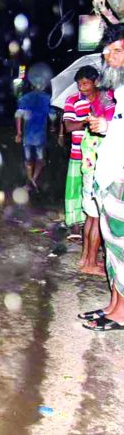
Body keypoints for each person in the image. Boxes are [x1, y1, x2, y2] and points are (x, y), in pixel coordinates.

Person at [79, 23, 124, 330]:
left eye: (118, 51)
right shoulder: (120, 90)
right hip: (109, 176)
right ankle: (114, 305)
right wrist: (108, 128)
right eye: (108, 51)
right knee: (112, 246)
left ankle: (121, 314)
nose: (110, 57)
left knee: (121, 246)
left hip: (121, 178)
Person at [74, 66, 115, 275]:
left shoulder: (95, 103)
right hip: (96, 165)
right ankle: (90, 263)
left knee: (91, 216)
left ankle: (86, 259)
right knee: (97, 217)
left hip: (89, 163)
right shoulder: (107, 101)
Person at [63, 66, 105, 240]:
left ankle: (96, 227)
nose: (82, 87)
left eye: (86, 83)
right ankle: (74, 225)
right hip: (77, 152)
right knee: (74, 190)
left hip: (99, 155)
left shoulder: (106, 100)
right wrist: (86, 123)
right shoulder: (72, 100)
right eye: (79, 84)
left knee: (95, 192)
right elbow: (68, 126)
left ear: (95, 82)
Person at [14, 80, 51, 192]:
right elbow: (52, 115)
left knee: (28, 159)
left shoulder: (25, 98)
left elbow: (18, 116)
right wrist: (54, 126)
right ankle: (32, 180)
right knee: (40, 158)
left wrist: (19, 133)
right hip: (40, 134)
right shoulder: (47, 99)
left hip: (28, 134)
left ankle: (30, 180)